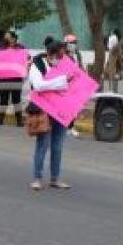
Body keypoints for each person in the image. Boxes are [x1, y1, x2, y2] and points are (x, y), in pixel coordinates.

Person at [28, 41, 74, 191]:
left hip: (62, 110)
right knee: (43, 145)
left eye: (63, 54)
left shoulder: (67, 64)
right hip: (44, 111)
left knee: (58, 146)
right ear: (49, 54)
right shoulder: (37, 65)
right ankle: (37, 178)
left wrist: (56, 84)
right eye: (59, 55)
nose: (62, 58)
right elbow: (38, 85)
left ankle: (55, 178)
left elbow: (73, 85)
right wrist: (61, 82)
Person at [0, 31, 26, 127]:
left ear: (13, 39)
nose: (6, 38)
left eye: (7, 37)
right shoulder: (1, 47)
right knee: (3, 98)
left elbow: (25, 59)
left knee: (16, 99)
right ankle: (0, 119)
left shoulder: (20, 48)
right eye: (5, 37)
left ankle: (19, 120)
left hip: (16, 77)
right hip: (3, 77)